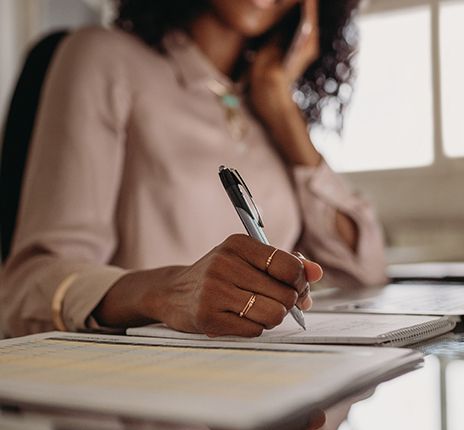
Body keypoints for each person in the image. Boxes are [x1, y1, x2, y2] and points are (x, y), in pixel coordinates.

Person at [0, 0, 386, 338]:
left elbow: (366, 271)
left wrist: (280, 105)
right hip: (142, 398)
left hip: (267, 386)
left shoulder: (268, 106)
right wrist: (165, 292)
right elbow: (25, 288)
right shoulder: (102, 58)